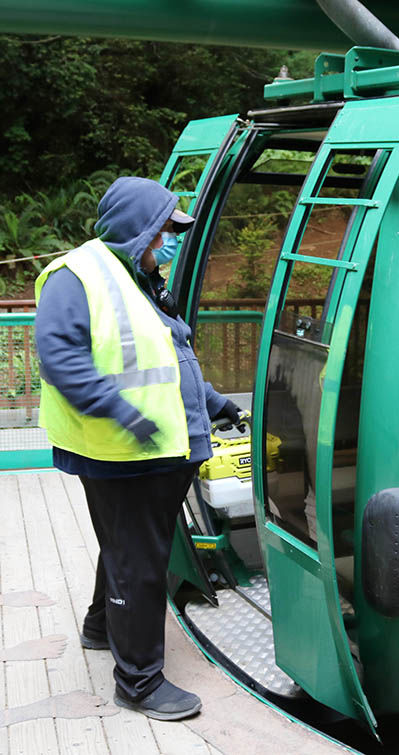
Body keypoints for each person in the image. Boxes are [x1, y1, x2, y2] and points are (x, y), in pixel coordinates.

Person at [34, 176, 242, 721]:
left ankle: (100, 627)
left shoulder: (143, 277)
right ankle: (140, 683)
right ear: (137, 230)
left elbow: (170, 355)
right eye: (163, 232)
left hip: (155, 452)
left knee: (127, 548)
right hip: (124, 454)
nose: (170, 242)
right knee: (140, 563)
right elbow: (61, 360)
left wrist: (217, 404)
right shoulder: (76, 277)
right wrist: (124, 414)